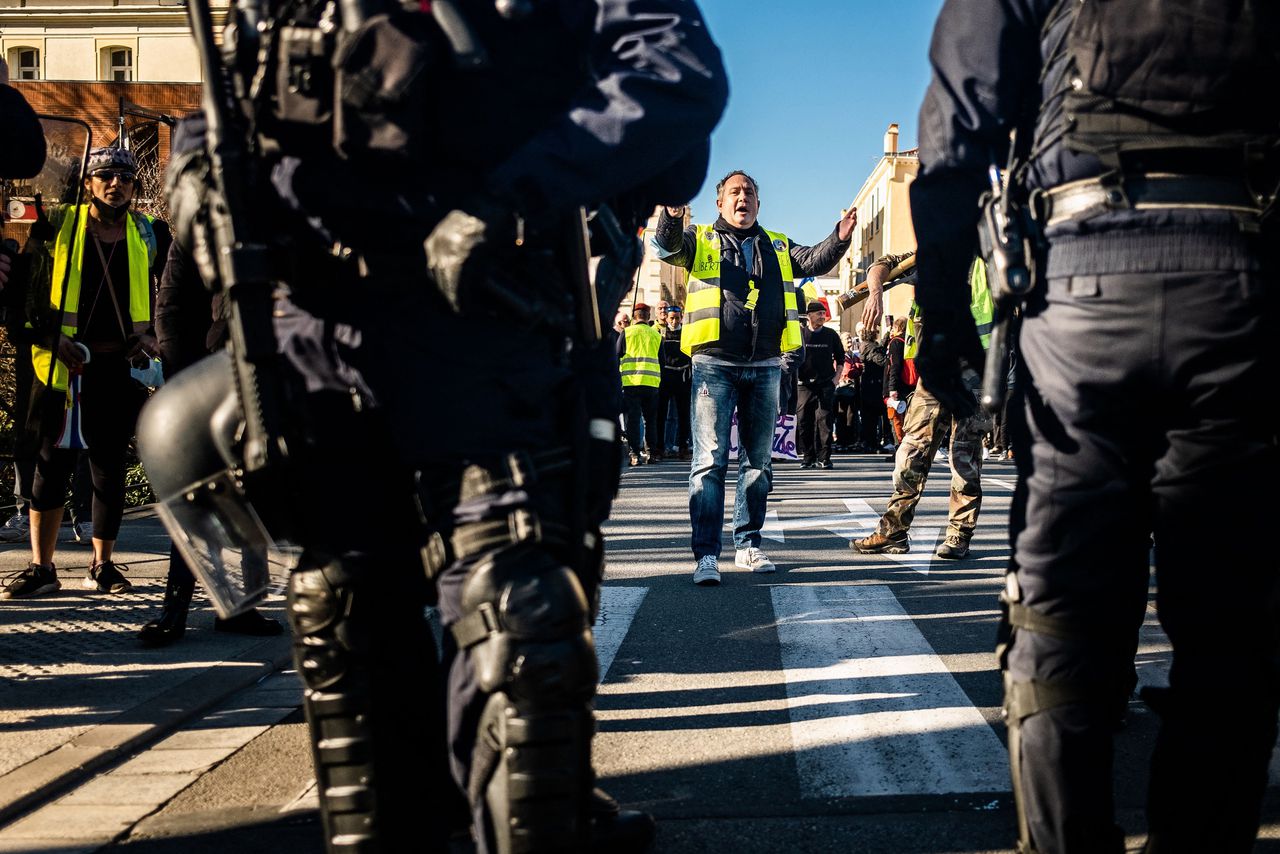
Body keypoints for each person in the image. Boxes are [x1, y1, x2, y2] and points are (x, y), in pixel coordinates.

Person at [148, 2, 729, 852]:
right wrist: (193, 186)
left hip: (487, 322)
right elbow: (225, 101)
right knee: (357, 674)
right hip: (320, 344)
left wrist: (516, 196)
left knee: (518, 657)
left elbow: (677, 76)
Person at [911, 2, 1279, 851]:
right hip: (1242, 275)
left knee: (1062, 605)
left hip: (1080, 281)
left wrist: (939, 308)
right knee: (1233, 612)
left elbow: (959, 115)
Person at [652, 171, 855, 585]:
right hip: (714, 363)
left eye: (749, 193)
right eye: (734, 192)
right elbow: (667, 246)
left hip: (765, 364)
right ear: (720, 203)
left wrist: (839, 236)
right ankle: (706, 555)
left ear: (758, 204)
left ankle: (747, 545)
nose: (742, 198)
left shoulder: (776, 244)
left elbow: (814, 260)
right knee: (709, 462)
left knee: (758, 463)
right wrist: (672, 215)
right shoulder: (700, 238)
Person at [2, 147, 160, 600]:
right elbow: (25, 296)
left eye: (126, 177)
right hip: (60, 366)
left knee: (109, 465)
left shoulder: (147, 232)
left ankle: (103, 565)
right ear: (88, 183)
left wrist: (152, 339)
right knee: (50, 466)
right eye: (106, 175)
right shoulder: (55, 227)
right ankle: (41, 567)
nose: (117, 184)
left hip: (116, 367)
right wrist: (51, 338)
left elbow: (166, 294)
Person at [137, 238, 282, 645]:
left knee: (251, 489)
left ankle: (242, 604)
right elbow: (170, 309)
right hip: (209, 375)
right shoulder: (196, 235)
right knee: (195, 491)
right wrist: (188, 385)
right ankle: (175, 608)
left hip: (265, 374)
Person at [852, 259, 993, 560]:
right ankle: (893, 531)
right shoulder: (932, 250)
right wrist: (876, 293)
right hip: (934, 371)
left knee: (964, 456)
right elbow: (883, 264)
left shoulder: (990, 255)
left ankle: (959, 534)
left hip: (977, 367)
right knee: (910, 452)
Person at [795, 300, 844, 469]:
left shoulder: (831, 334)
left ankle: (824, 458)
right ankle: (808, 457)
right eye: (819, 313)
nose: (822, 316)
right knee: (803, 421)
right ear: (809, 316)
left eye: (823, 313)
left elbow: (841, 358)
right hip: (804, 385)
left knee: (824, 422)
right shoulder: (800, 334)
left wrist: (836, 378)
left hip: (825, 384)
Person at [619, 301, 662, 465]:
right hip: (651, 383)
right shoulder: (656, 335)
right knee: (650, 421)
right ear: (648, 316)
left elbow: (616, 354)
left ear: (633, 317)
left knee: (633, 420)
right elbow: (662, 360)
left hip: (631, 382)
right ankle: (651, 454)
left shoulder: (626, 332)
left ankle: (634, 454)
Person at [657, 303, 692, 460]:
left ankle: (683, 447)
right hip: (665, 377)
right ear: (666, 318)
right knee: (661, 414)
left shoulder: (687, 333)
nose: (674, 321)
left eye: (677, 318)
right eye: (671, 318)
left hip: (682, 377)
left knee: (683, 414)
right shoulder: (660, 334)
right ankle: (659, 447)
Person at [883, 315, 914, 443]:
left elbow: (894, 367)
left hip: (897, 387)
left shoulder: (896, 343)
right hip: (908, 385)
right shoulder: (910, 342)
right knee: (906, 419)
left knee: (895, 418)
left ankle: (899, 447)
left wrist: (892, 388)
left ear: (897, 327)